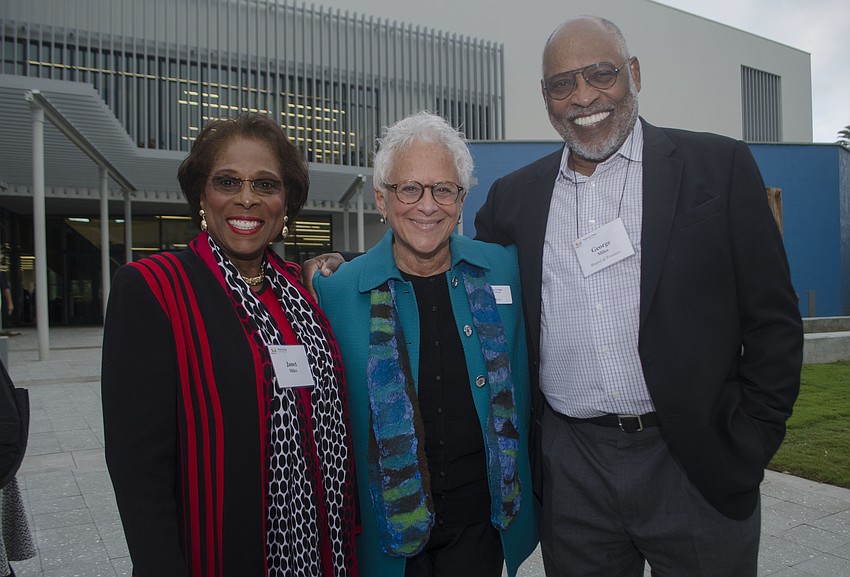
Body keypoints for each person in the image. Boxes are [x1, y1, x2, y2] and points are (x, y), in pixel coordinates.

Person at [472, 16, 803, 577]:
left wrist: (750, 440)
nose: (583, 97)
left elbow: (773, 320)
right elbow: (462, 281)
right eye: (562, 84)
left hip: (694, 461)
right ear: (545, 97)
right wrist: (344, 269)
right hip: (572, 467)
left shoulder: (717, 168)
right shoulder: (513, 198)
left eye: (601, 74)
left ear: (635, 74)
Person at [101, 113, 357, 577]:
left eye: (265, 184)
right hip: (219, 553)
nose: (246, 198)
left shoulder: (301, 288)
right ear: (202, 194)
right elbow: (137, 469)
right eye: (227, 181)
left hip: (322, 552)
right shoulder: (154, 289)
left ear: (286, 202)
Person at [312, 112, 538, 577]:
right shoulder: (335, 292)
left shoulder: (505, 269)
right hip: (384, 536)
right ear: (382, 198)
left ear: (461, 199)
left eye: (443, 189)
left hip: (480, 527)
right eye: (409, 188)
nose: (427, 205)